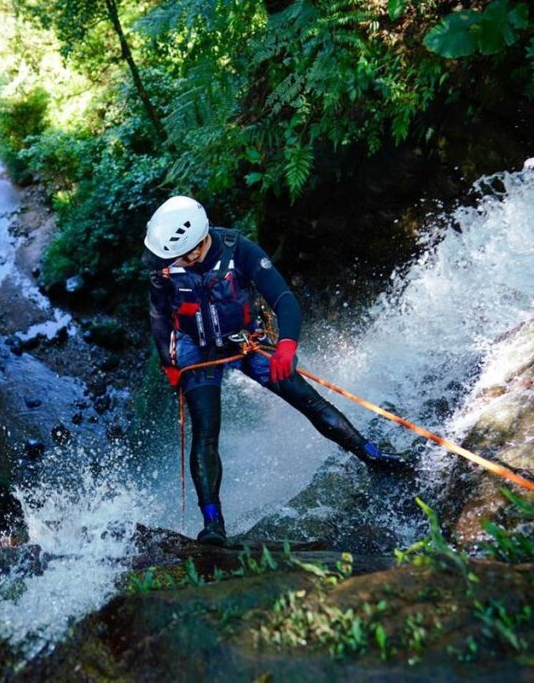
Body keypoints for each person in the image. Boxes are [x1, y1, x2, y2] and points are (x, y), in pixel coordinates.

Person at [144, 195, 404, 547]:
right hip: (197, 350)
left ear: (198, 241)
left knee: (306, 399)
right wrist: (168, 362)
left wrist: (287, 345)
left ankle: (372, 456)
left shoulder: (240, 250)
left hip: (247, 341)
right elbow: (160, 317)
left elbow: (283, 298)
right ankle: (213, 525)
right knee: (206, 430)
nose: (175, 261)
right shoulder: (162, 269)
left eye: (181, 254)